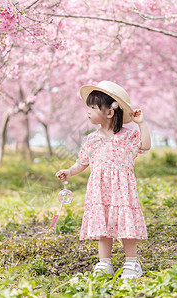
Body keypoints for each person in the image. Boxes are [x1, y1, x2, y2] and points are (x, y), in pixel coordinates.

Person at [55, 81, 151, 279]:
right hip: (100, 191)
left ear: (109, 112)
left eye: (92, 107)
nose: (88, 112)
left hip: (122, 190)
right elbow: (82, 163)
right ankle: (104, 263)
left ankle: (132, 263)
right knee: (103, 227)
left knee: (127, 226)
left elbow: (146, 145)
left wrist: (141, 123)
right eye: (88, 107)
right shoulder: (91, 139)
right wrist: (69, 172)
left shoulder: (128, 136)